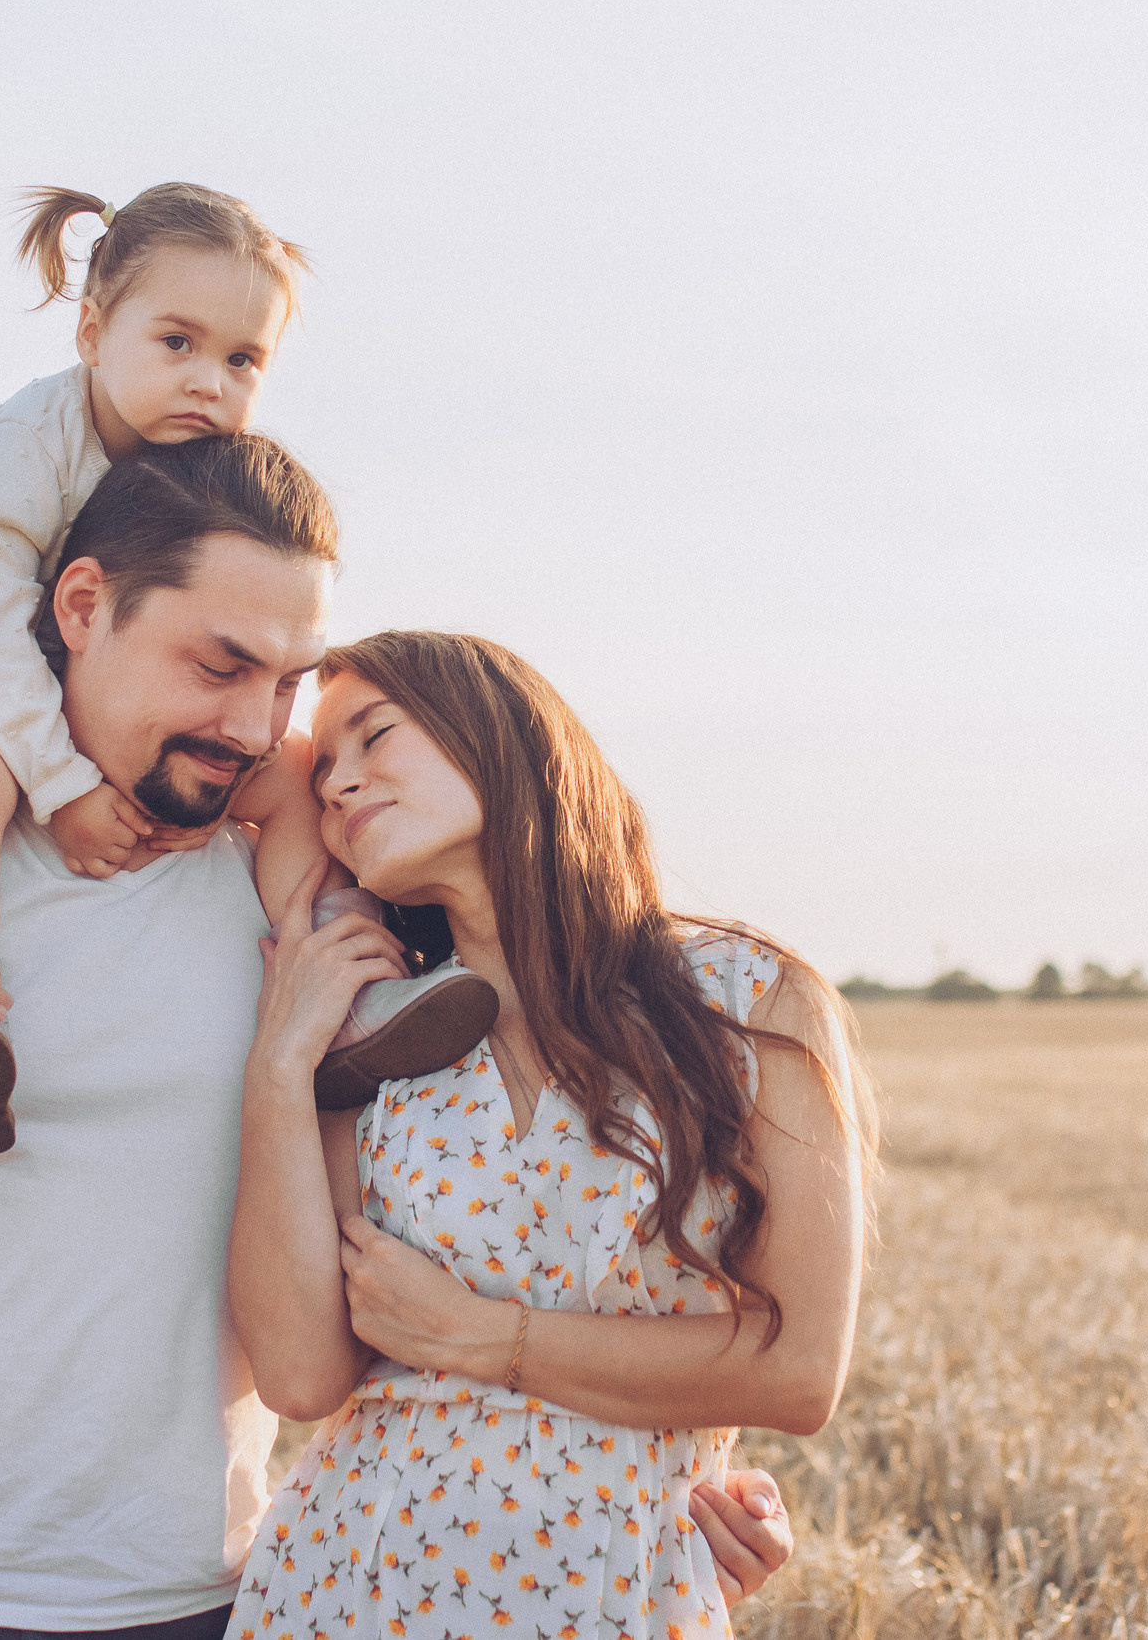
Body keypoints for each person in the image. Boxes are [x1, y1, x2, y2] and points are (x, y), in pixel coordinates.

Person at [0, 441, 794, 1639]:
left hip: (187, 1599)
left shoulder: (325, 900)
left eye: (285, 685)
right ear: (82, 607)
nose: (255, 727)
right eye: (218, 666)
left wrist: (661, 1492)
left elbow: (500, 1219)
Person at [227, 631, 876, 1640]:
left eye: (373, 737)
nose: (340, 785)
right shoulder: (383, 1044)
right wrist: (279, 1066)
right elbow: (305, 1377)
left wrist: (480, 1337)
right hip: (350, 1585)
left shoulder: (748, 1001)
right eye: (324, 779)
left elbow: (794, 1374)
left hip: (616, 1590)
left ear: (502, 733)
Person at [0, 182, 490, 1163]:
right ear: (92, 333)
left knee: (293, 769)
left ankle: (348, 988)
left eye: (242, 359)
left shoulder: (197, 463)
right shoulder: (18, 456)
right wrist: (63, 786)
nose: (207, 382)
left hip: (63, 666)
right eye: (176, 343)